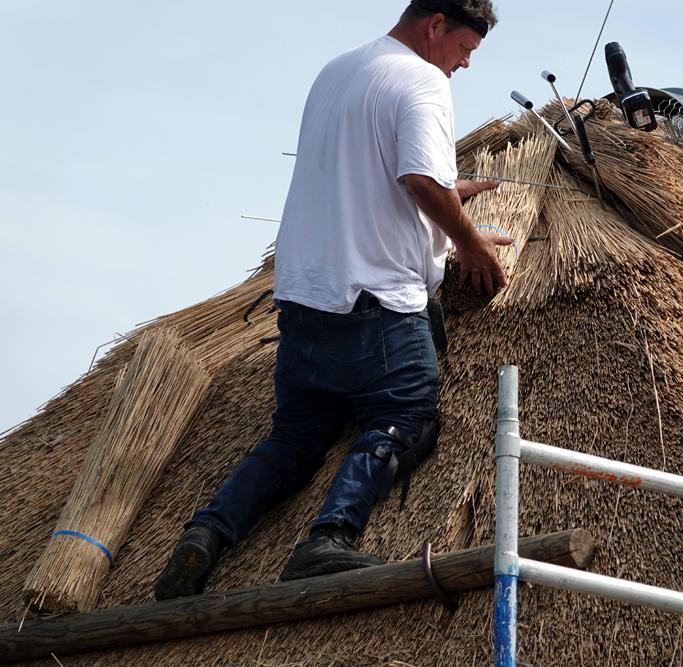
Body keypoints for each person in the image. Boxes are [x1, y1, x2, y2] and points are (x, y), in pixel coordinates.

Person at [155, 0, 504, 600]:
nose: (464, 65)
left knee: (295, 438)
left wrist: (456, 192)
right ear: (436, 26)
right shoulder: (423, 80)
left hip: (302, 300)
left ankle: (206, 535)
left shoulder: (339, 70)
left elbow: (370, 172)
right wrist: (470, 244)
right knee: (407, 414)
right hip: (373, 303)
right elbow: (418, 180)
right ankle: (328, 540)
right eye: (466, 50)